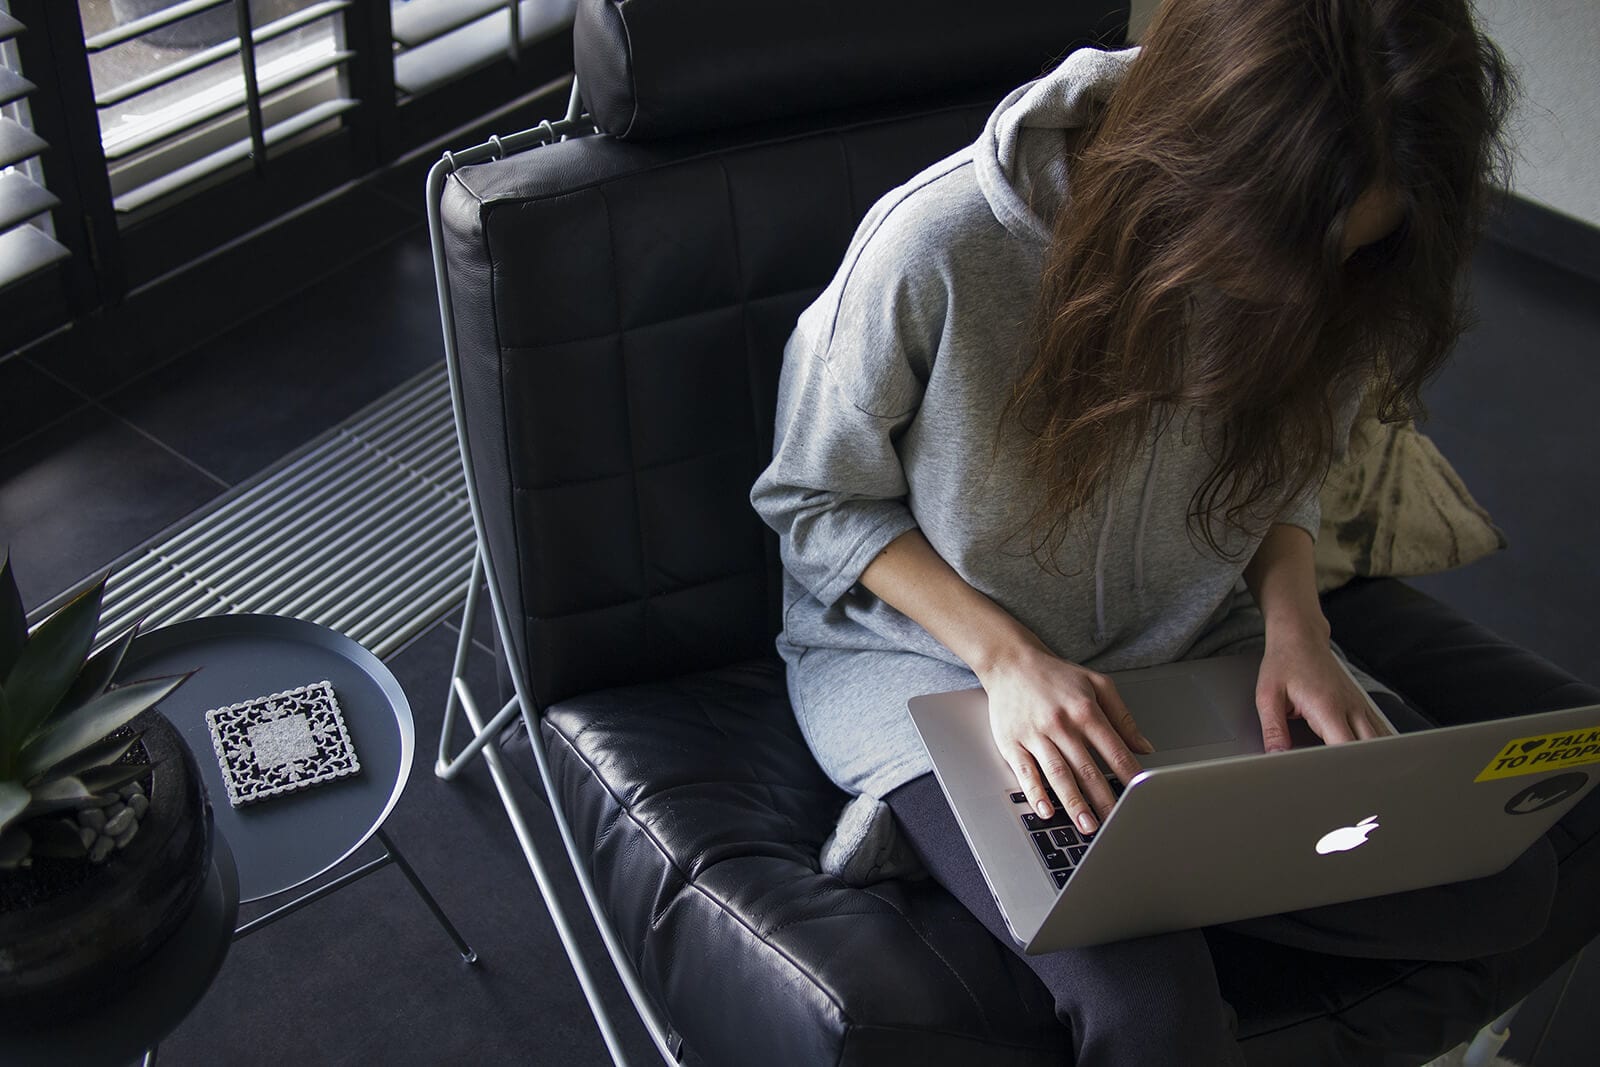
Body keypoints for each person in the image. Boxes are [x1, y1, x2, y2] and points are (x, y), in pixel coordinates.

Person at [751, 0, 1555, 1062]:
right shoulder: (934, 246)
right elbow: (812, 499)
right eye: (1274, 255)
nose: (1303, 298)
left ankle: (1118, 866)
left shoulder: (1349, 256)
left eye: (1346, 258)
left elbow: (1289, 465)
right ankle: (963, 826)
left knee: (1505, 880)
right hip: (934, 663)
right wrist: (1011, 662)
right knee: (1152, 1014)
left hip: (1189, 642)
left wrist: (1294, 623)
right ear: (1197, 163)